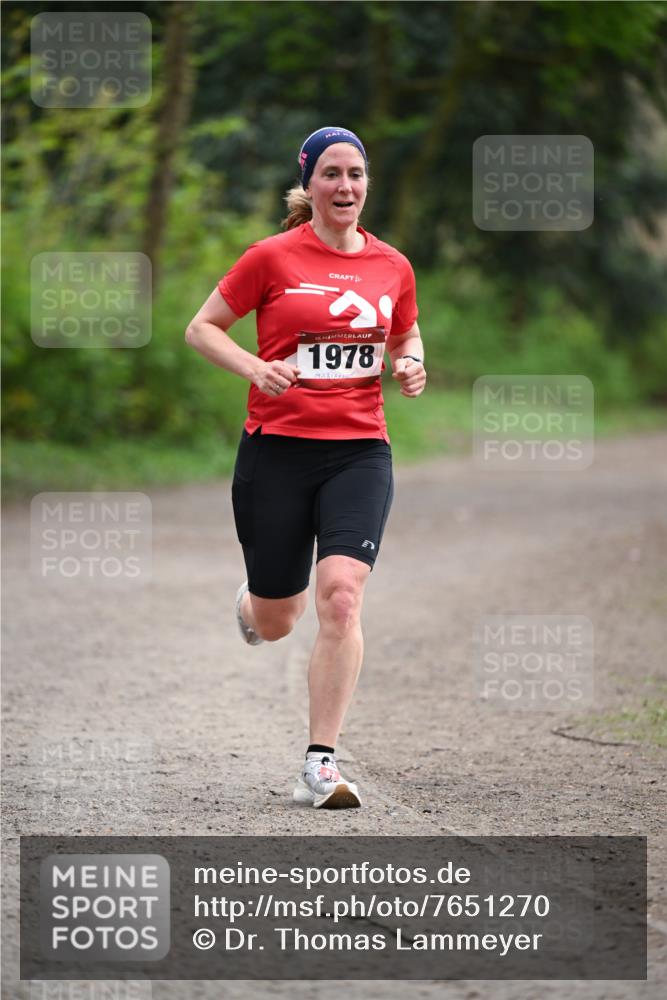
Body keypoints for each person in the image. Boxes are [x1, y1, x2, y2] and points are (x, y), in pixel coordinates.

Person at [185, 126, 426, 809]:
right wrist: (254, 368)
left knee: (342, 596)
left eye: (355, 174)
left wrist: (411, 361)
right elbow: (202, 328)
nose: (345, 186)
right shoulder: (271, 257)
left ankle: (319, 763)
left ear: (366, 183)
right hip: (277, 451)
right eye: (331, 174)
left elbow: (404, 331)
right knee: (278, 619)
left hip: (359, 450)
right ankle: (253, 603)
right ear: (309, 184)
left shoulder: (392, 265)